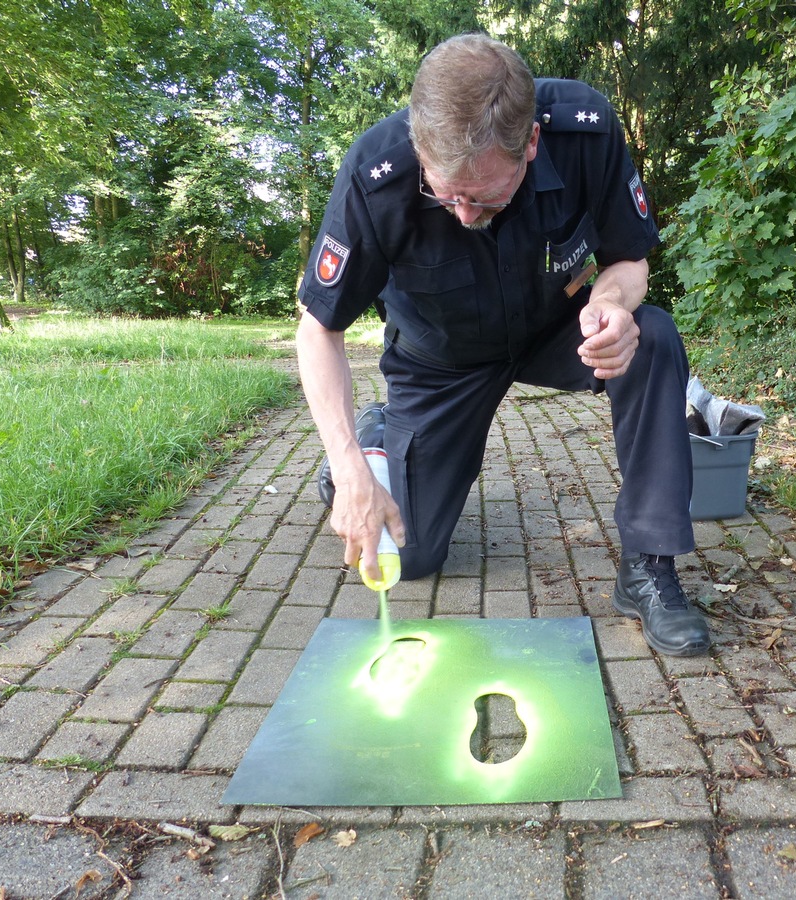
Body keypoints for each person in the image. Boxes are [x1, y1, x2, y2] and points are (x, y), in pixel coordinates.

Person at [295, 33, 710, 656]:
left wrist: (611, 305)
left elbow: (630, 260)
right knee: (414, 554)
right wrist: (352, 464)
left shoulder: (585, 135)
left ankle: (650, 567)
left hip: (555, 331)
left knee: (651, 336)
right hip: (440, 360)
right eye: (445, 194)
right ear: (417, 147)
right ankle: (378, 439)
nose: (462, 214)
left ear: (532, 144)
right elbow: (318, 329)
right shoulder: (374, 173)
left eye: (484, 196)